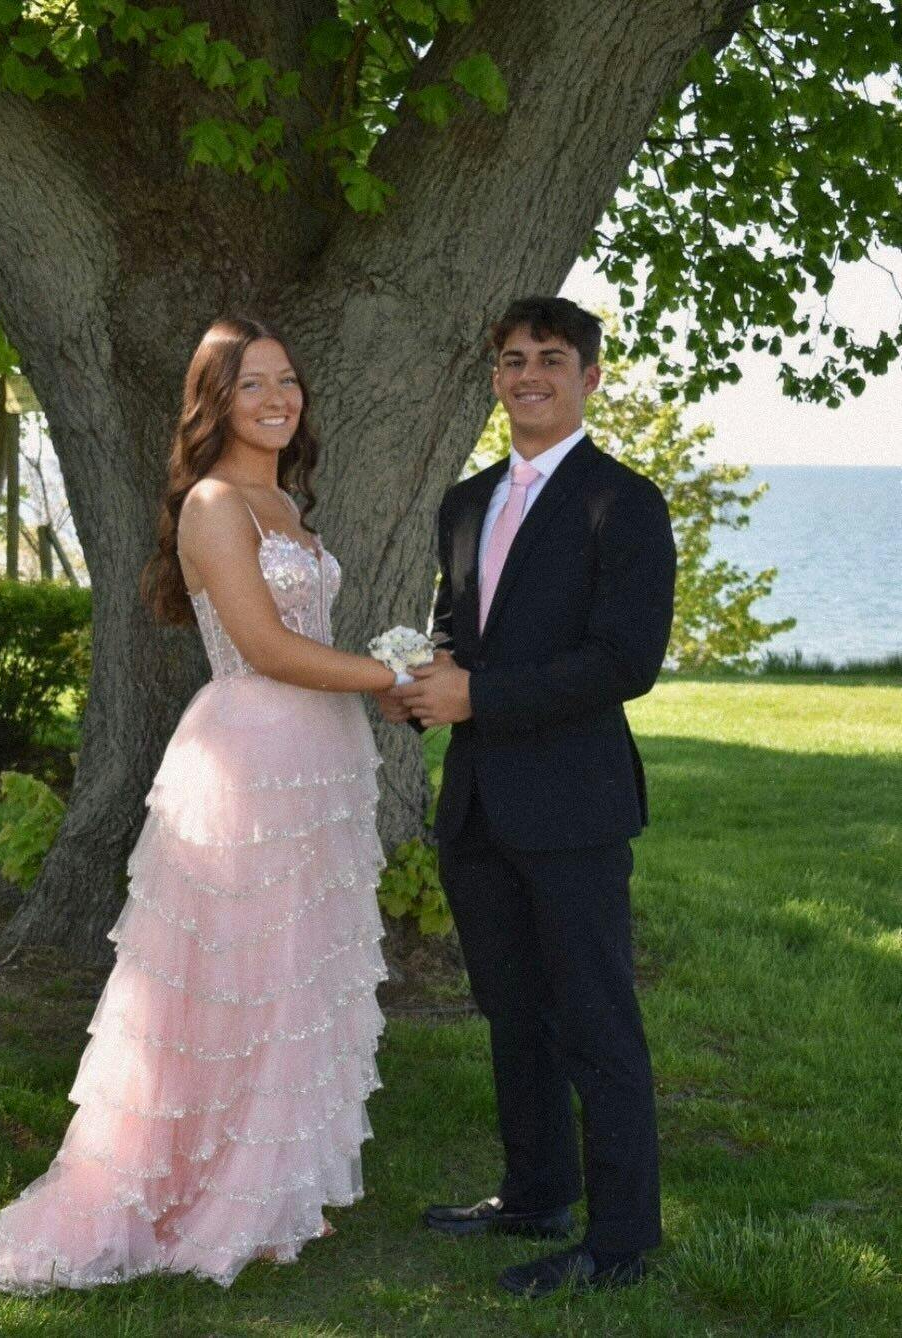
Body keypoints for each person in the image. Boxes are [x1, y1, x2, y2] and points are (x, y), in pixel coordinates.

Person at [0, 316, 399, 1293]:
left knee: (295, 971)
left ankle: (270, 1186)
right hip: (251, 753)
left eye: (287, 380)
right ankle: (200, 1188)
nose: (277, 399)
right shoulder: (212, 503)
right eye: (252, 385)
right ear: (215, 403)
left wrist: (372, 683)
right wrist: (394, 675)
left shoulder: (283, 501)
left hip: (318, 755)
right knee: (234, 976)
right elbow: (267, 646)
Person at [375, 296, 676, 1298]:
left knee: (596, 1020)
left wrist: (481, 696)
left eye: (551, 358)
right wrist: (420, 687)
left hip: (575, 806)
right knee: (513, 1013)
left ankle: (620, 1241)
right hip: (477, 804)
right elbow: (459, 631)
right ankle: (537, 1193)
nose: (529, 375)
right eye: (512, 359)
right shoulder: (464, 502)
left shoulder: (622, 502)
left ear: (589, 377)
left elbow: (625, 661)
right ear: (495, 377)